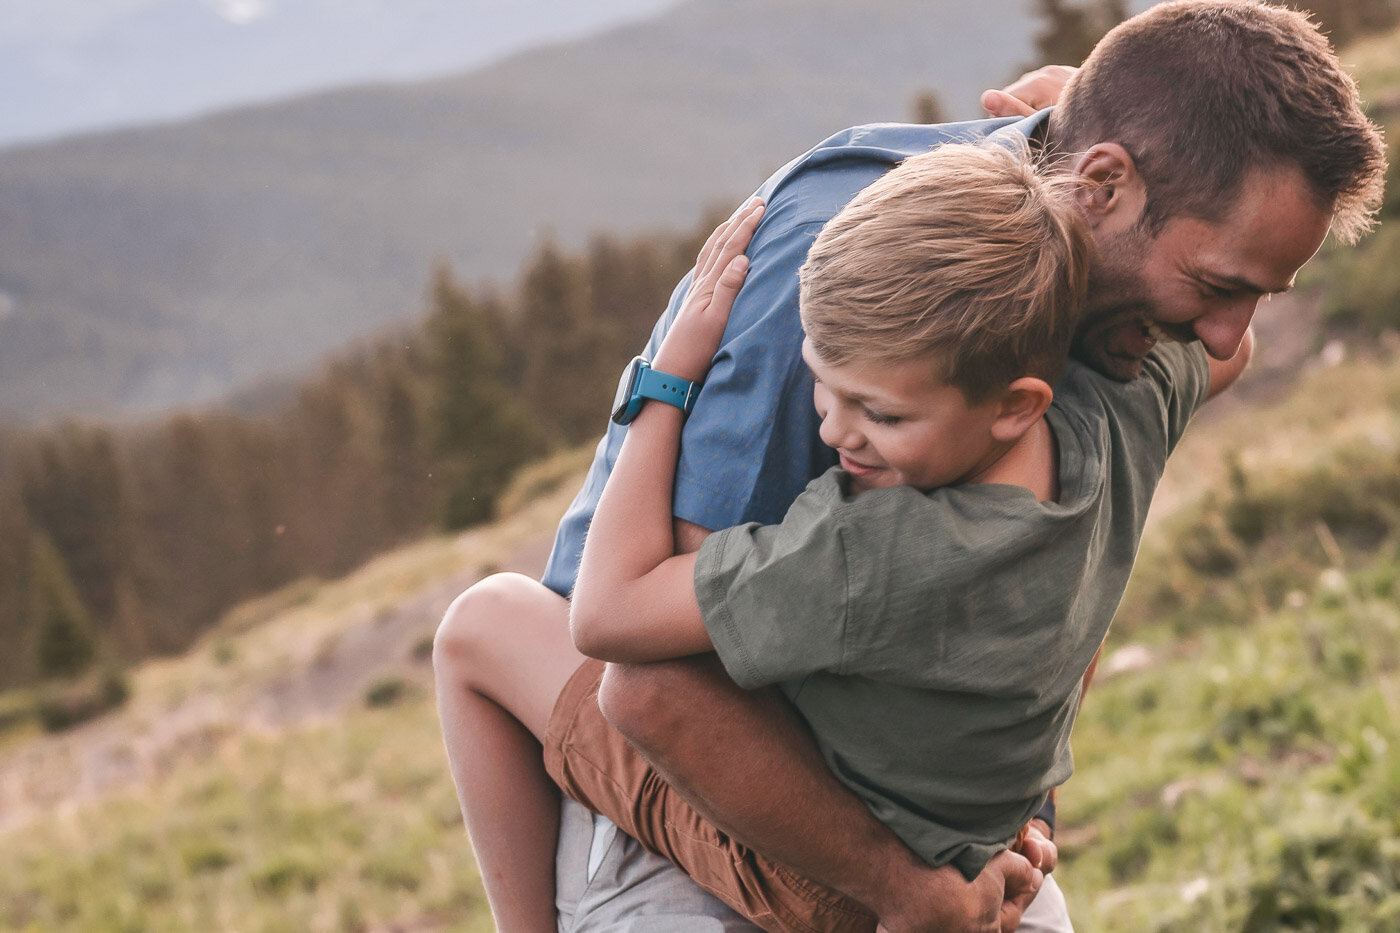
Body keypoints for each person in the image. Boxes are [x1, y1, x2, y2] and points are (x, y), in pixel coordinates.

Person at [434, 2, 1386, 929]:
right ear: (1101, 180)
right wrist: (921, 868)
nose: (1228, 336)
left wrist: (931, 872)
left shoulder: (1112, 330)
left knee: (481, 625)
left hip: (892, 840)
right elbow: (657, 688)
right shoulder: (845, 292)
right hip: (722, 788)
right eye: (1218, 286)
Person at [441, 139, 1105, 931]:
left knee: (480, 624)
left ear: (1015, 403)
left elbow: (607, 619)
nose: (835, 433)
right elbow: (1219, 355)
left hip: (827, 877)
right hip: (970, 827)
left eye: (882, 413)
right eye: (818, 386)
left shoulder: (858, 553)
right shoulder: (1100, 441)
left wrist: (664, 382)